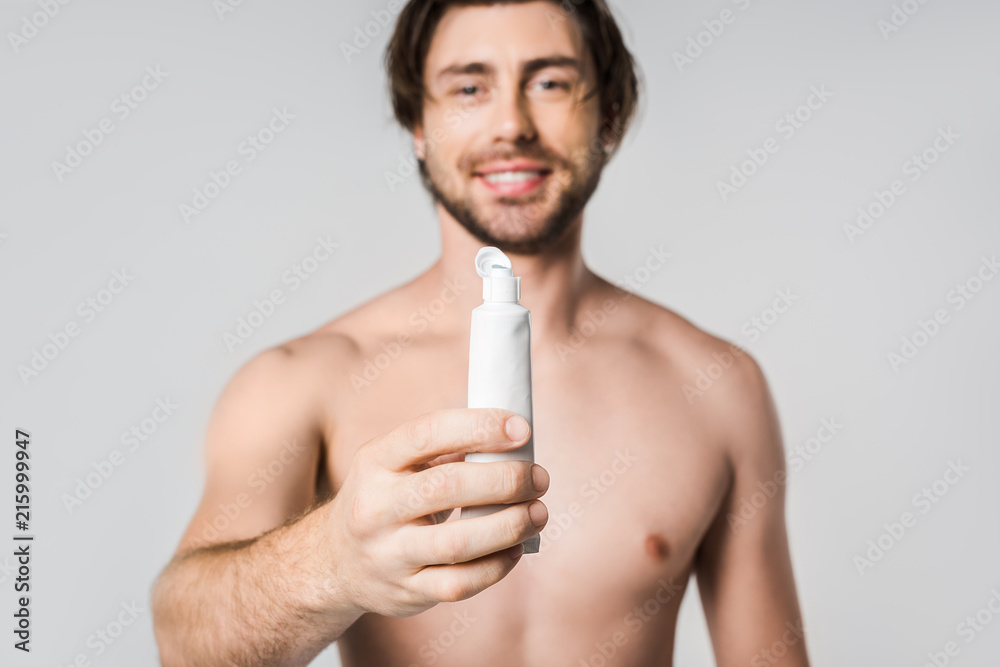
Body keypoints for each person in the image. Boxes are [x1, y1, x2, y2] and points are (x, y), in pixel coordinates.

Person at [152, 1, 811, 665]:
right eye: (469, 87)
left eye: (550, 82)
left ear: (608, 113)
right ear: (418, 122)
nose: (511, 125)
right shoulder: (300, 381)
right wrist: (332, 560)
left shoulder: (719, 388)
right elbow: (186, 644)